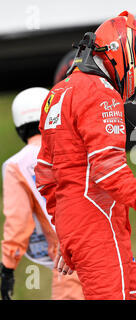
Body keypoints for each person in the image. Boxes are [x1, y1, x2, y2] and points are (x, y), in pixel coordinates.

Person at [35, 11, 136, 300]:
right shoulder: (101, 93)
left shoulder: (57, 93)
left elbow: (45, 175)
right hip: (98, 224)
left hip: (82, 224)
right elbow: (108, 167)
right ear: (124, 52)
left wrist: (67, 232)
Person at [0, 88, 84, 300]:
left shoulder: (16, 166)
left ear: (19, 128)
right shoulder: (82, 148)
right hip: (112, 251)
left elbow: (18, 224)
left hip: (69, 260)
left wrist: (7, 267)